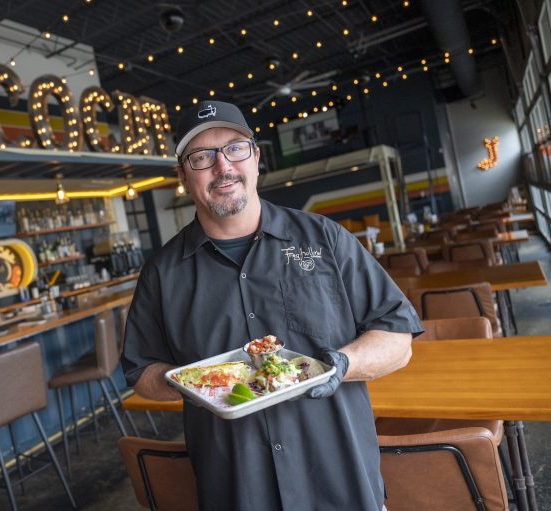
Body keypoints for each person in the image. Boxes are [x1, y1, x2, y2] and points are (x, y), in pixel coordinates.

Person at [122, 100, 423, 511]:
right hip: (238, 490)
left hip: (342, 482)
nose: (222, 166)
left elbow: (398, 339)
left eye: (234, 148)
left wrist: (340, 365)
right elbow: (142, 372)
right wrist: (193, 383)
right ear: (182, 176)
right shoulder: (161, 273)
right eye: (201, 157)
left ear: (256, 158)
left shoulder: (325, 239)